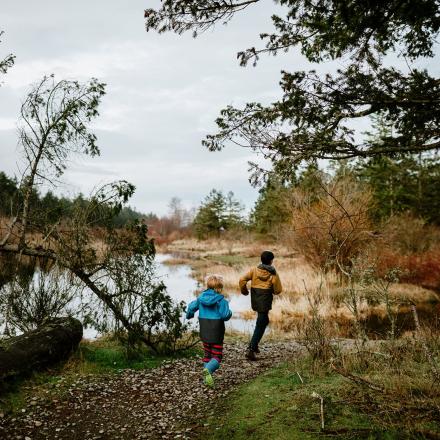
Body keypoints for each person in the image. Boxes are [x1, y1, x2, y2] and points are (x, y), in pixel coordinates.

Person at [186, 275, 232, 387]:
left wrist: (189, 315)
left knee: (207, 354)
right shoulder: (221, 301)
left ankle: (207, 380)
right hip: (216, 332)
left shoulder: (200, 298)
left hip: (204, 331)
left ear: (208, 286)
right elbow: (225, 315)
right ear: (219, 288)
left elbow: (191, 307)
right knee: (217, 356)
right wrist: (229, 312)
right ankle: (208, 371)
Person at [239, 250, 282, 360]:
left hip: (255, 299)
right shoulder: (273, 273)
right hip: (265, 299)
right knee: (261, 322)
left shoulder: (254, 270)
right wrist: (271, 288)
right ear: (271, 261)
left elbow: (242, 279)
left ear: (261, 259)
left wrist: (244, 291)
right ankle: (251, 349)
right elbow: (278, 290)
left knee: (264, 320)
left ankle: (255, 345)